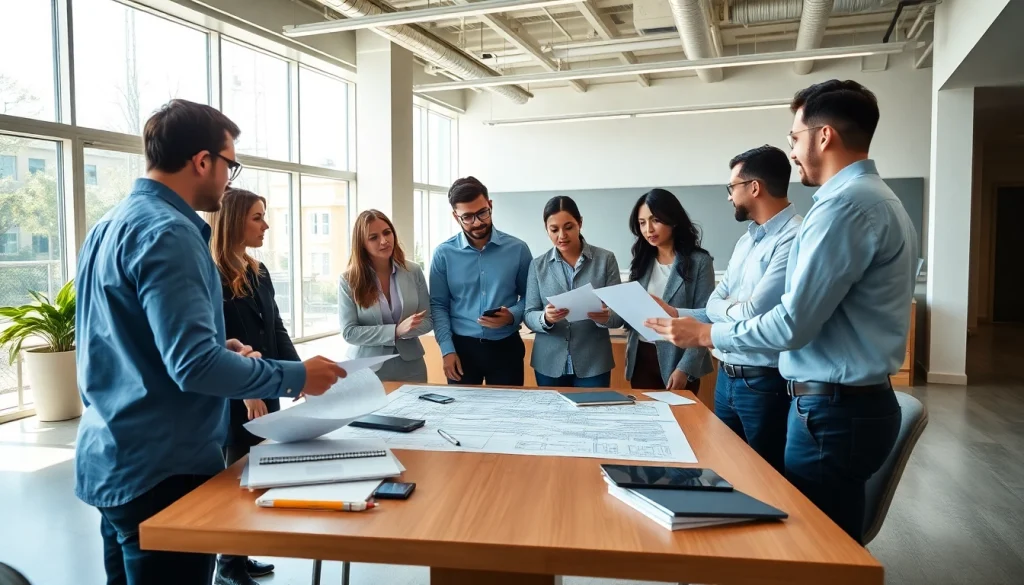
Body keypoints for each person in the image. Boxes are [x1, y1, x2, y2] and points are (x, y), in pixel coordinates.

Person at [74, 99, 345, 585]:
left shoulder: (106, 226)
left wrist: (225, 350)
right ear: (202, 161)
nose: (228, 179)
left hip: (109, 456)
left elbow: (118, 343)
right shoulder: (172, 233)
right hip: (161, 467)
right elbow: (193, 366)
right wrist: (299, 374)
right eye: (229, 165)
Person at [645, 80, 916, 544]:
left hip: (832, 410)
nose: (792, 150)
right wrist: (711, 319)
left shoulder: (843, 208)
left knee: (815, 545)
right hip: (840, 405)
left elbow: (790, 322)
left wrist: (706, 335)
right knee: (820, 538)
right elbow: (737, 302)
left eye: (795, 137)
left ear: (824, 136)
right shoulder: (873, 199)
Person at [207, 188, 297, 584]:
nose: (266, 224)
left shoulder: (257, 270)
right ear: (234, 222)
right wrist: (248, 393)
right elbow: (217, 343)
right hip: (239, 396)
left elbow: (275, 329)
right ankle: (227, 566)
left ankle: (238, 556)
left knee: (257, 475)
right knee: (238, 479)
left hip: (267, 385)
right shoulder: (213, 275)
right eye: (257, 217)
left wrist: (300, 373)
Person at [700, 145, 802, 473]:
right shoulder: (746, 241)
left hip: (763, 382)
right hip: (725, 377)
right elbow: (715, 301)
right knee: (726, 471)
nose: (730, 196)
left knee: (765, 475)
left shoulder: (794, 236)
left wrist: (727, 309)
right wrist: (733, 308)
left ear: (754, 187)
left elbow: (757, 311)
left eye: (733, 188)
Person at [430, 176, 532, 386]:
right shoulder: (443, 254)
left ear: (490, 205)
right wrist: (447, 350)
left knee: (509, 417)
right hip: (461, 349)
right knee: (461, 417)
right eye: (467, 217)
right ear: (455, 216)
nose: (477, 222)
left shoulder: (518, 249)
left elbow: (531, 298)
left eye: (482, 213)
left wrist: (512, 315)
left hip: (506, 348)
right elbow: (438, 305)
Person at [523, 196, 623, 387]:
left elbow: (618, 316)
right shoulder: (537, 265)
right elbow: (528, 314)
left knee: (593, 415)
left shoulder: (605, 260)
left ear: (580, 223)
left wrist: (605, 317)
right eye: (554, 230)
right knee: (552, 417)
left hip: (593, 362)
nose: (562, 235)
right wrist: (546, 318)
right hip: (548, 363)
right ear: (547, 230)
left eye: (568, 227)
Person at [624, 188, 714, 391]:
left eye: (655, 220)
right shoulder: (641, 261)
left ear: (673, 220)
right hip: (641, 357)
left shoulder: (700, 261)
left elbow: (705, 317)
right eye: (642, 223)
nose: (648, 229)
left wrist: (684, 369)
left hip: (678, 359)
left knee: (682, 421)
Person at [339, 209, 433, 381]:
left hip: (412, 365)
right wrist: (395, 332)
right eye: (373, 237)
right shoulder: (349, 279)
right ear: (362, 244)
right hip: (366, 368)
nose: (384, 241)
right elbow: (349, 332)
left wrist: (406, 331)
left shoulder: (413, 271)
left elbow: (428, 320)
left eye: (387, 232)